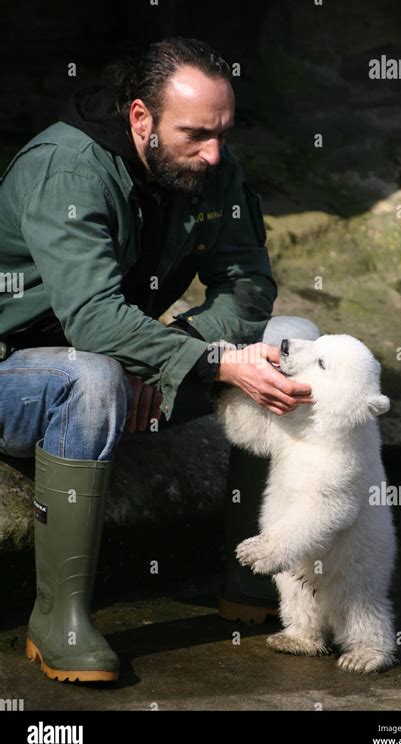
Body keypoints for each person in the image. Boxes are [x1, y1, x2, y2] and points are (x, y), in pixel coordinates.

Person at [0, 36, 318, 682]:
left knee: (291, 340)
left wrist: (177, 354)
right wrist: (199, 363)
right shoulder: (68, 169)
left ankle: (253, 576)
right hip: (18, 372)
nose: (215, 152)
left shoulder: (210, 165)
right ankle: (58, 618)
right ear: (140, 118)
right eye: (196, 134)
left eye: (223, 132)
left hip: (123, 362)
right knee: (89, 374)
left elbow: (248, 285)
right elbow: (92, 320)